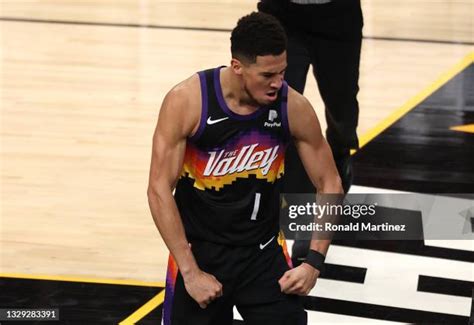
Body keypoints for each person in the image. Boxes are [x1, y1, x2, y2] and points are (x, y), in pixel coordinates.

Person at [147, 12, 343, 325]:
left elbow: (330, 182)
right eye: (267, 75)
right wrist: (190, 271)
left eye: (282, 71)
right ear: (237, 67)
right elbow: (158, 189)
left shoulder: (292, 106)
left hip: (263, 252)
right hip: (201, 253)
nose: (278, 83)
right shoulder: (187, 101)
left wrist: (314, 262)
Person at [258, 0, 363, 266]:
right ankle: (303, 215)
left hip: (338, 15)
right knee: (280, 112)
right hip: (283, 15)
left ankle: (339, 160)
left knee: (343, 113)